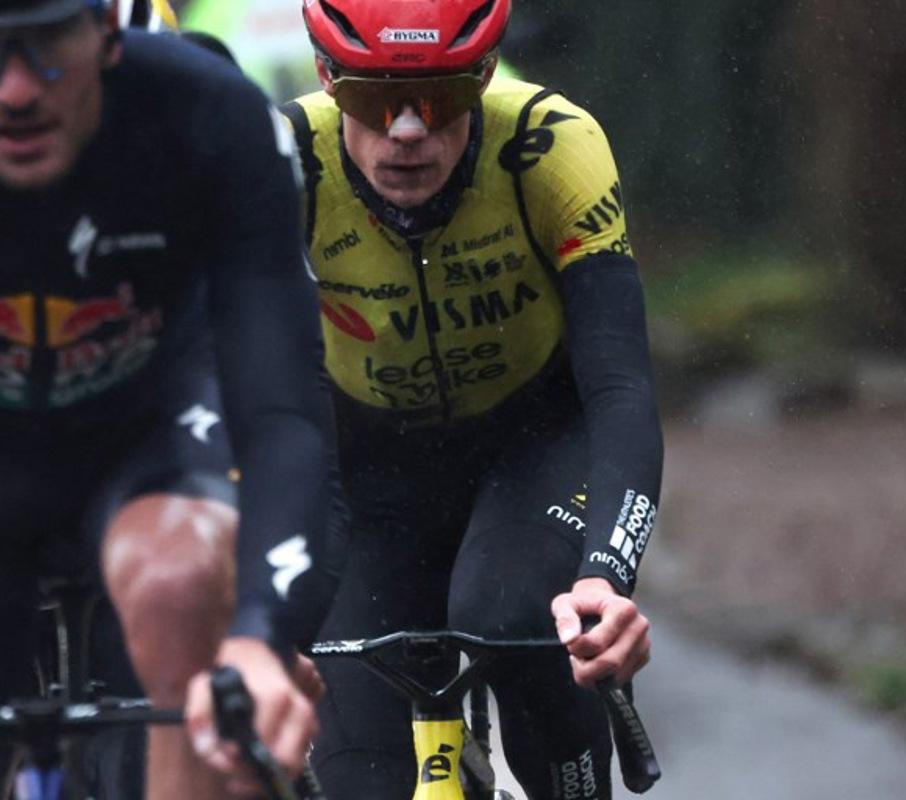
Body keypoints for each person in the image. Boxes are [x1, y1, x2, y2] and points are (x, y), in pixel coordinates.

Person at [0, 0, 343, 797]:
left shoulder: (207, 112)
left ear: (108, 31)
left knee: (179, 589)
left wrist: (258, 633)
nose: (15, 92)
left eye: (45, 47)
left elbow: (280, 410)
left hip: (144, 444)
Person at [279, 0, 664, 797]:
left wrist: (605, 577)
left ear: (487, 74)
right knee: (360, 776)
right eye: (372, 99)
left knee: (515, 616)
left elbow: (620, 383)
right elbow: (254, 395)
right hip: (369, 473)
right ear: (325, 77)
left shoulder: (549, 145)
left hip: (533, 446)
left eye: (443, 97)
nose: (409, 130)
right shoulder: (283, 162)